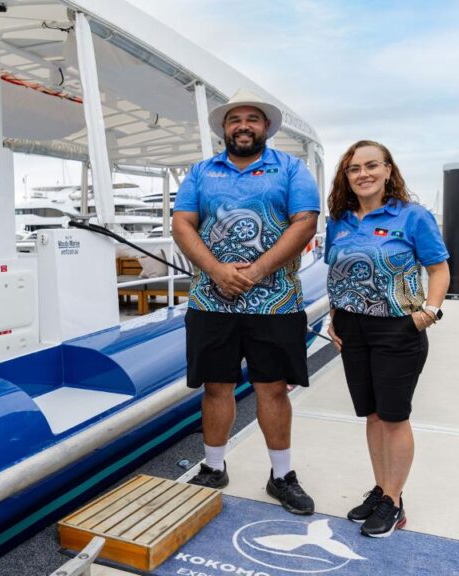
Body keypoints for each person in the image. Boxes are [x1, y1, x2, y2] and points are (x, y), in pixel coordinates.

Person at [172, 89, 320, 514]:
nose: (243, 126)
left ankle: (281, 476)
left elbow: (305, 223)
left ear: (266, 127)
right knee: (216, 386)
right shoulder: (201, 173)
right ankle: (213, 467)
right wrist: (218, 270)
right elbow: (183, 225)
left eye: (252, 119)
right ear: (224, 128)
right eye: (235, 119)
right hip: (210, 301)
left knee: (272, 389)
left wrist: (254, 272)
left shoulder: (292, 169)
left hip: (275, 303)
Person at [324, 140, 450, 537]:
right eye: (353, 168)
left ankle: (394, 502)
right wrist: (333, 316)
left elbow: (439, 269)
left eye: (371, 165)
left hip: (397, 327)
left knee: (395, 417)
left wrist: (428, 312)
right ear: (346, 177)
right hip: (351, 328)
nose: (363, 174)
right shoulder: (339, 220)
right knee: (373, 414)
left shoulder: (413, 217)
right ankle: (381, 490)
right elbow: (337, 272)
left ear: (388, 170)